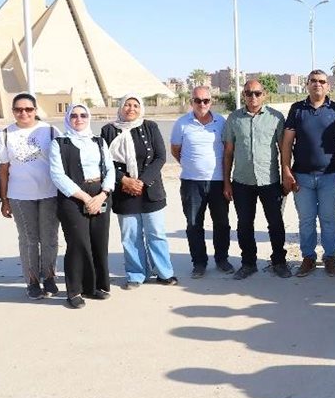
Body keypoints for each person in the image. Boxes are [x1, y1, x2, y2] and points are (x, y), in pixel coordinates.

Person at [281, 70, 335, 277]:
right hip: (302, 176)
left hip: (330, 176)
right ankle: (308, 258)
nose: (317, 84)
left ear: (328, 85)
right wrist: (286, 170)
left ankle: (330, 257)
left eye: (322, 81)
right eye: (313, 81)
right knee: (306, 220)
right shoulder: (297, 109)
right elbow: (287, 142)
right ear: (307, 84)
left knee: (328, 219)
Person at [101, 95, 176, 289]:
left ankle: (164, 273)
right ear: (121, 107)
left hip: (150, 190)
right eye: (127, 104)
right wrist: (124, 180)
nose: (131, 108)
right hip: (124, 191)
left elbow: (160, 157)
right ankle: (136, 274)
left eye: (135, 105)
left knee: (156, 233)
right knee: (130, 236)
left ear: (141, 108)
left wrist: (142, 181)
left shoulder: (150, 127)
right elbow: (105, 162)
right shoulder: (108, 130)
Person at [49, 104, 115, 308]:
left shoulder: (99, 141)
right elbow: (57, 175)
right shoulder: (59, 143)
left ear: (89, 117)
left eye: (83, 115)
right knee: (78, 243)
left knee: (98, 241)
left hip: (100, 194)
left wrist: (103, 194)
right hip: (73, 197)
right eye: (74, 115)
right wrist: (86, 198)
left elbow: (110, 169)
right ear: (68, 118)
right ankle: (75, 291)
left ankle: (93, 287)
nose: (79, 119)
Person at [223, 79, 290, 279]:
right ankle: (248, 263)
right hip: (242, 181)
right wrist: (226, 182)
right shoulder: (234, 119)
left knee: (275, 223)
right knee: (244, 224)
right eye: (248, 93)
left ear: (264, 94)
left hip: (269, 180)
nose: (253, 97)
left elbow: (284, 150)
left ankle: (279, 262)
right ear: (243, 95)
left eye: (257, 93)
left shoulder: (276, 117)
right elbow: (228, 153)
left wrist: (286, 175)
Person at [0, 92, 60, 299]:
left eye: (28, 109)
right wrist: (4, 200)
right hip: (20, 196)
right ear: (13, 111)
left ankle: (49, 277)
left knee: (49, 238)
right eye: (18, 109)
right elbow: (3, 170)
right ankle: (32, 281)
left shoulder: (50, 131)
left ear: (35, 110)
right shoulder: (5, 135)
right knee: (28, 240)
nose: (23, 113)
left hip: (50, 193)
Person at [171, 86, 232, 278]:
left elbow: (228, 150)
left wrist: (227, 181)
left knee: (222, 223)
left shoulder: (221, 122)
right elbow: (175, 150)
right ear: (192, 102)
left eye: (206, 100)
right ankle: (199, 263)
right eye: (197, 100)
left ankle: (222, 259)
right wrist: (191, 165)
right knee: (194, 224)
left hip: (217, 181)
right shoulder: (182, 123)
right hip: (191, 182)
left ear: (211, 102)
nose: (202, 104)